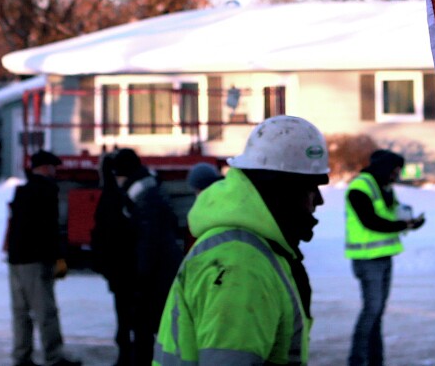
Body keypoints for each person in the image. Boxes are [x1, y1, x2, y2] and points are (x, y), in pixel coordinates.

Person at [153, 116, 330, 366]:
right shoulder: (240, 263)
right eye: (311, 188)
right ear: (282, 190)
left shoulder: (257, 249)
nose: (319, 201)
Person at [345, 149, 426, 366]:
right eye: (395, 170)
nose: (396, 175)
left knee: (376, 313)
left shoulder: (383, 187)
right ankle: (357, 361)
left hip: (383, 257)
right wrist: (404, 225)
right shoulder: (360, 187)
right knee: (371, 311)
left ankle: (375, 361)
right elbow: (370, 221)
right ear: (384, 168)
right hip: (366, 259)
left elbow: (392, 214)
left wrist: (411, 222)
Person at [4, 150, 81, 366]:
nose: (55, 172)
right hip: (36, 260)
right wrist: (59, 260)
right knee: (45, 311)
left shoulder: (22, 191)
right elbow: (49, 230)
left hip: (16, 259)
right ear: (45, 168)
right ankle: (54, 355)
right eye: (53, 167)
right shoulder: (47, 191)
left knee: (21, 312)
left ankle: (22, 356)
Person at [110, 148, 182, 366]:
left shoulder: (143, 198)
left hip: (155, 277)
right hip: (159, 273)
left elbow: (148, 244)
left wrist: (139, 278)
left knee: (147, 326)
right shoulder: (148, 190)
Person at [90, 151, 139, 366]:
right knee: (134, 312)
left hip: (119, 266)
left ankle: (126, 354)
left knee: (124, 311)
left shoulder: (110, 197)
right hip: (128, 265)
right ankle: (131, 353)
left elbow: (102, 232)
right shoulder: (126, 195)